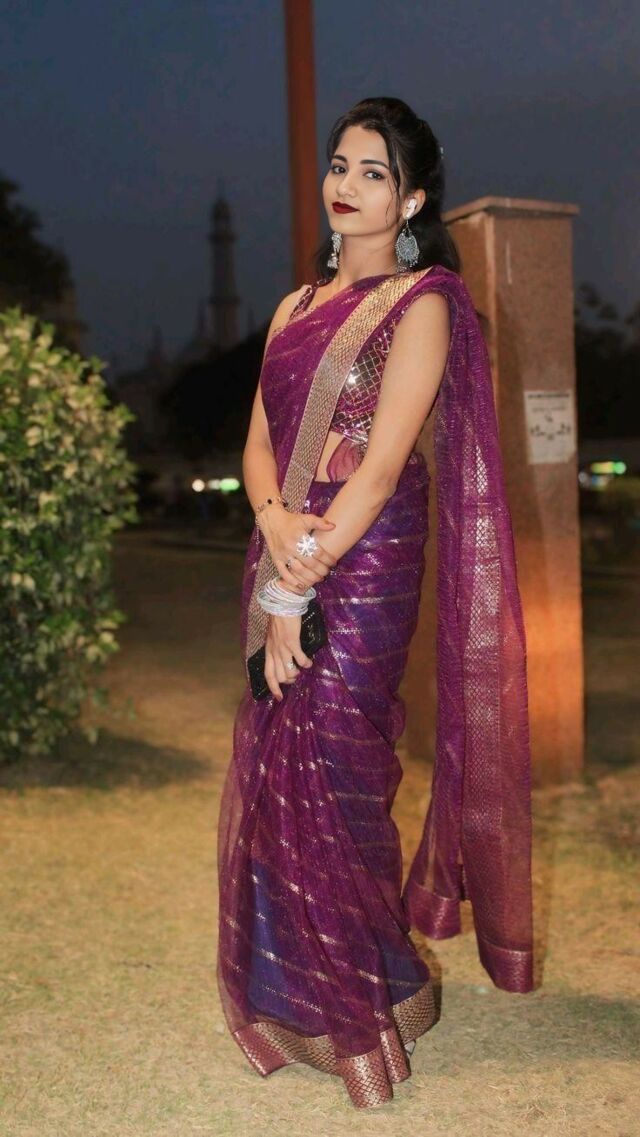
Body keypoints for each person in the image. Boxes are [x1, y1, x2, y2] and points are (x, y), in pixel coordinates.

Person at [217, 97, 534, 1110]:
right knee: (277, 766)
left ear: (412, 199)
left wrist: (295, 580)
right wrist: (274, 525)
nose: (346, 185)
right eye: (339, 165)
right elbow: (259, 443)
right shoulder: (292, 308)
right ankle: (297, 995)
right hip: (286, 541)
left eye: (373, 172)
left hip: (365, 558)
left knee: (338, 757)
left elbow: (384, 464)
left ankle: (368, 993)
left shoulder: (422, 304)